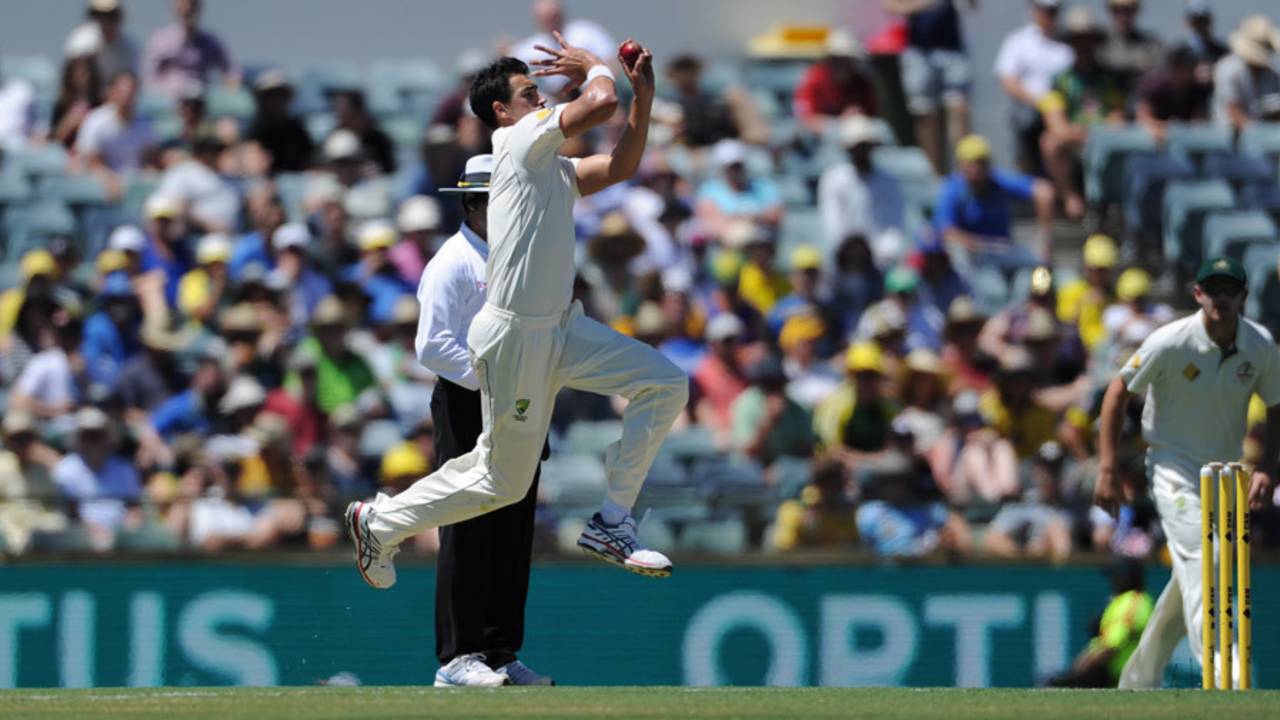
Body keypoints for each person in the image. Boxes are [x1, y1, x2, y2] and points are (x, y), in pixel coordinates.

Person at [346, 40, 688, 588]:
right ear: (500, 112)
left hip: (560, 327)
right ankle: (380, 521)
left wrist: (642, 98)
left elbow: (623, 165)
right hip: (514, 337)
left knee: (665, 384)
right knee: (502, 481)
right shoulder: (517, 139)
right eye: (529, 93)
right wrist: (595, 67)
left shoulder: (549, 165)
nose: (541, 97)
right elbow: (599, 103)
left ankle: (612, 523)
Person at [1095, 256, 1280, 689]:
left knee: (1197, 572)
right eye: (1211, 289)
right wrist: (1106, 466)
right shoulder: (1170, 341)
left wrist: (1268, 467)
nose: (1220, 298)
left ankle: (1138, 679)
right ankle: (1225, 676)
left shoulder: (1261, 346)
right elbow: (1117, 390)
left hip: (1226, 472)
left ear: (1243, 297)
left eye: (1228, 289)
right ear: (1197, 294)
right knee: (1208, 556)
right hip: (1172, 467)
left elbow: (1275, 406)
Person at [412, 154, 552, 687]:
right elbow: (431, 345)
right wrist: (492, 380)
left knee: (512, 531)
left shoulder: (523, 258)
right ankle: (457, 657)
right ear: (473, 204)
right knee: (467, 527)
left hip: (519, 402)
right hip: (470, 403)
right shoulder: (452, 263)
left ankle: (499, 652)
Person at [1039, 6, 1127, 220]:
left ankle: (1117, 202)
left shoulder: (1109, 79)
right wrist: (1088, 132)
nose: (1084, 45)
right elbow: (1058, 127)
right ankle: (1070, 197)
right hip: (1075, 142)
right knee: (1050, 143)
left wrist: (1098, 131)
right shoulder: (1059, 81)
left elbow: (1119, 119)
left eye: (1088, 39)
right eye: (1079, 39)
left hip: (1106, 140)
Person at [935, 134, 1054, 271]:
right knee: (992, 287)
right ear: (961, 165)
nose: (977, 169)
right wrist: (985, 245)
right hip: (973, 258)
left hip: (1006, 253)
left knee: (1038, 266)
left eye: (981, 163)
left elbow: (1044, 192)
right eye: (972, 164)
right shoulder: (951, 189)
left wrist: (1045, 240)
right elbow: (947, 232)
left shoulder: (997, 181)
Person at [885, 0, 975, 173]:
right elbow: (891, 6)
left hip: (952, 49)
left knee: (959, 108)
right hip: (919, 52)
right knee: (926, 115)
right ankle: (934, 175)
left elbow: (972, 6)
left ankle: (965, 172)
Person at [993, 0, 1073, 172]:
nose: (1048, 15)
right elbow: (1007, 80)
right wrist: (1039, 102)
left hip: (1063, 112)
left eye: (1053, 11)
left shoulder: (1067, 44)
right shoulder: (1018, 41)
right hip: (1028, 111)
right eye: (1044, 10)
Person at [1048, 558, 1153, 687]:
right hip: (1115, 675)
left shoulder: (1133, 602)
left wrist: (1076, 675)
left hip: (1123, 677)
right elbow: (1101, 643)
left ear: (1125, 577)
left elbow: (1111, 646)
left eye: (1114, 576)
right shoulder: (1121, 601)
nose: (1111, 582)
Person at [817, 115, 905, 252]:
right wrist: (851, 250)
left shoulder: (889, 182)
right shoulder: (834, 179)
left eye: (865, 147)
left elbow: (894, 224)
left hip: (882, 256)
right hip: (846, 255)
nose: (861, 152)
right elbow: (833, 223)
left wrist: (884, 250)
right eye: (857, 148)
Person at [510, 0, 616, 99]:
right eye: (546, 18)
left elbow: (611, 62)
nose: (551, 22)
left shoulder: (587, 32)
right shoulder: (526, 49)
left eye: (554, 16)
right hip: (550, 101)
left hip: (592, 92)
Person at [143, 0, 238, 99]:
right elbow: (149, 77)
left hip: (201, 100)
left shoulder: (210, 41)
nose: (187, 9)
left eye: (192, 5)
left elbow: (230, 70)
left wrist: (231, 89)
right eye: (182, 6)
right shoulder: (161, 40)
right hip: (169, 101)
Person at [75, 70, 154, 183]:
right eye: (122, 91)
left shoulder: (145, 123)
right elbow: (91, 160)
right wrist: (110, 180)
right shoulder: (96, 121)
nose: (126, 96)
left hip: (134, 181)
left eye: (130, 92)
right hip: (99, 182)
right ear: (112, 92)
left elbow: (148, 159)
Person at [793, 30, 878, 133]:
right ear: (829, 60)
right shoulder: (814, 78)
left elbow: (872, 116)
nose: (842, 64)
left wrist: (858, 117)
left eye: (846, 59)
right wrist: (839, 122)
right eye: (837, 59)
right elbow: (805, 118)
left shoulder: (860, 83)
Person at [1211, 15, 1280, 130]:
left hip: (1262, 135)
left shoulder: (1271, 75)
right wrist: (1255, 131)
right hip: (1227, 137)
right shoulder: (1228, 69)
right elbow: (1233, 110)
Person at [1134, 46, 1211, 142]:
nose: (1194, 69)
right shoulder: (1155, 84)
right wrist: (1159, 127)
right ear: (1176, 67)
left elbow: (1199, 120)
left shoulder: (1197, 88)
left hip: (1184, 140)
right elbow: (1143, 116)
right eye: (1190, 65)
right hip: (1151, 142)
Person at [1097, 0, 1163, 91]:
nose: (1123, 16)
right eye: (1117, 10)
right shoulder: (1101, 42)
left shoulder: (1149, 44)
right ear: (1111, 11)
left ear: (1136, 11)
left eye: (1128, 10)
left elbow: (1159, 71)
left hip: (1139, 98)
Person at [1179, 0, 1227, 82]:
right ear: (1188, 22)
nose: (1201, 25)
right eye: (1197, 21)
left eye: (1204, 20)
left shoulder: (1222, 52)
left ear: (1210, 21)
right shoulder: (1179, 53)